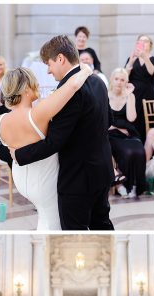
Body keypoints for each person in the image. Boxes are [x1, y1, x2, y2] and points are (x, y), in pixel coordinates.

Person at [11, 34, 116, 231]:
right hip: (101, 170)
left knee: (73, 235)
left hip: (78, 179)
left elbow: (54, 142)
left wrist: (18, 154)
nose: (49, 71)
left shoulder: (67, 93)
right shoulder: (98, 82)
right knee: (102, 227)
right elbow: (109, 120)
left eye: (48, 64)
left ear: (60, 58)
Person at [0, 63, 94, 229]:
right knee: (53, 224)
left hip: (21, 181)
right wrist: (86, 70)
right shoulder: (37, 114)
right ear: (26, 89)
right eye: (34, 82)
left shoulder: (1, 120)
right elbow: (74, 85)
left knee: (45, 218)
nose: (38, 85)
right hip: (43, 182)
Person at [107, 69, 146, 196]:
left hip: (128, 132)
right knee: (128, 152)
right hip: (110, 133)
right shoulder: (105, 95)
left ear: (126, 82)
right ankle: (122, 184)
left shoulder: (130, 96)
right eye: (116, 79)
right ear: (112, 80)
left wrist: (129, 95)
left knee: (139, 151)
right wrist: (117, 128)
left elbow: (131, 118)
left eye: (122, 80)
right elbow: (103, 120)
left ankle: (135, 185)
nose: (119, 82)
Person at [125, 34, 154, 140]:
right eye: (140, 41)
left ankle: (148, 150)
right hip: (133, 95)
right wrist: (131, 60)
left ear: (150, 45)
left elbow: (152, 72)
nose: (143, 43)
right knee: (133, 121)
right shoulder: (131, 58)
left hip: (148, 95)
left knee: (147, 122)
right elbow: (125, 77)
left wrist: (144, 56)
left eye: (145, 41)